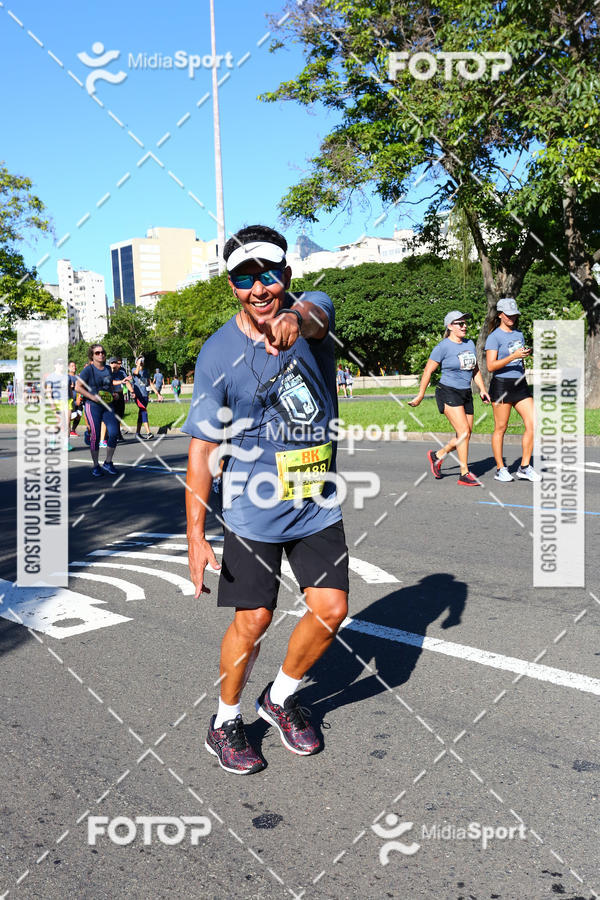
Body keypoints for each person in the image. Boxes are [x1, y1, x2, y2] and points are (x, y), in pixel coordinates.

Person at [183, 224, 349, 775]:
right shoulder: (216, 353)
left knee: (331, 609)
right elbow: (204, 445)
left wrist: (293, 322)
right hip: (253, 506)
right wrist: (195, 536)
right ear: (230, 283)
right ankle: (225, 719)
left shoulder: (310, 315)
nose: (259, 288)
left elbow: (318, 313)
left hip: (315, 496)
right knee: (253, 620)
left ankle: (279, 698)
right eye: (244, 277)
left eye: (270, 275)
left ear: (288, 277)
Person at [409, 311, 490, 486]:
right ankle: (464, 473)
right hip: (448, 391)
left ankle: (437, 455)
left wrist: (482, 390)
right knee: (464, 433)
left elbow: (474, 369)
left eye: (465, 323)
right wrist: (421, 395)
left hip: (465, 392)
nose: (464, 326)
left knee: (466, 435)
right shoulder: (442, 347)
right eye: (460, 323)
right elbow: (428, 371)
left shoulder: (469, 343)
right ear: (450, 326)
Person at [485, 297, 540, 482]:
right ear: (500, 315)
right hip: (502, 385)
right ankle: (500, 468)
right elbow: (491, 366)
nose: (512, 318)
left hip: (520, 384)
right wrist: (513, 356)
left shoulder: (519, 334)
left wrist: (523, 357)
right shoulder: (494, 337)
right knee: (501, 427)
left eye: (514, 315)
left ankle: (524, 467)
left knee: (533, 423)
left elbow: (519, 359)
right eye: (508, 315)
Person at [76, 344, 120, 476]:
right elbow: (78, 387)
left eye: (102, 352)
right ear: (92, 355)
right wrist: (91, 397)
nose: (101, 354)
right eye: (97, 353)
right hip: (92, 405)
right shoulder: (88, 370)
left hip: (108, 405)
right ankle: (96, 465)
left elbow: (109, 385)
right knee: (95, 435)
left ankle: (108, 462)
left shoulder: (108, 369)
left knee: (113, 432)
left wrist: (114, 393)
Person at [132, 356, 162, 440]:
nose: (142, 361)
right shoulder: (134, 369)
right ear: (136, 362)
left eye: (143, 360)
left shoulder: (146, 371)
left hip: (145, 395)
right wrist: (138, 363)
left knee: (141, 414)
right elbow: (136, 372)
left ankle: (137, 433)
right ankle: (148, 432)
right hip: (138, 395)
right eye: (140, 360)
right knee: (144, 411)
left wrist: (157, 394)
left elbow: (150, 383)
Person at [108, 356, 132, 441]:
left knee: (120, 415)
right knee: (113, 416)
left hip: (120, 394)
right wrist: (121, 381)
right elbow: (111, 382)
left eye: (117, 362)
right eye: (113, 363)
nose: (116, 364)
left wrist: (132, 391)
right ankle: (111, 435)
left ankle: (118, 434)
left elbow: (126, 381)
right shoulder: (108, 371)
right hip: (111, 395)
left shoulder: (121, 371)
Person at [68, 361, 83, 437]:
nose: (74, 367)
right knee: (72, 415)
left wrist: (79, 398)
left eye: (75, 366)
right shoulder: (66, 377)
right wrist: (69, 387)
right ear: (68, 368)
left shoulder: (78, 377)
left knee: (79, 415)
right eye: (72, 366)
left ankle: (73, 430)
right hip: (70, 400)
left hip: (78, 399)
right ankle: (64, 426)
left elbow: (80, 388)